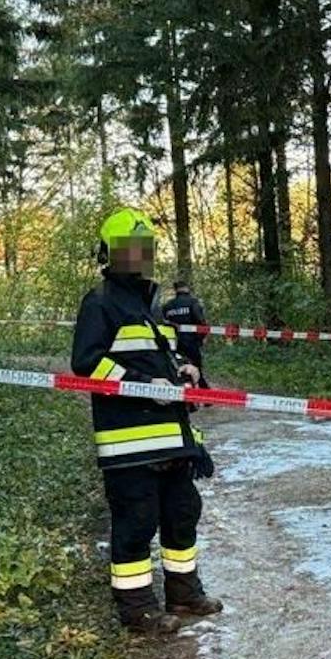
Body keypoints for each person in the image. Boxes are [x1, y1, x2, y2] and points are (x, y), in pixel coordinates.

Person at [72, 208, 222, 635]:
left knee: (183, 512)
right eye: (129, 249)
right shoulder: (100, 303)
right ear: (110, 254)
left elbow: (159, 358)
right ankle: (137, 609)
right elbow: (86, 364)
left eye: (145, 248)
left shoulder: (148, 306)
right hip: (128, 442)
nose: (139, 257)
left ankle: (184, 592)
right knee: (136, 523)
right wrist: (141, 384)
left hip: (172, 439)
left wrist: (185, 370)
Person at [160, 280, 209, 387]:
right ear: (187, 288)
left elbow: (161, 324)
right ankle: (203, 396)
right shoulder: (193, 302)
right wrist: (200, 339)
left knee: (177, 369)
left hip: (174, 344)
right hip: (192, 343)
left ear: (175, 290)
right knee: (196, 369)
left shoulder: (168, 306)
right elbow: (201, 323)